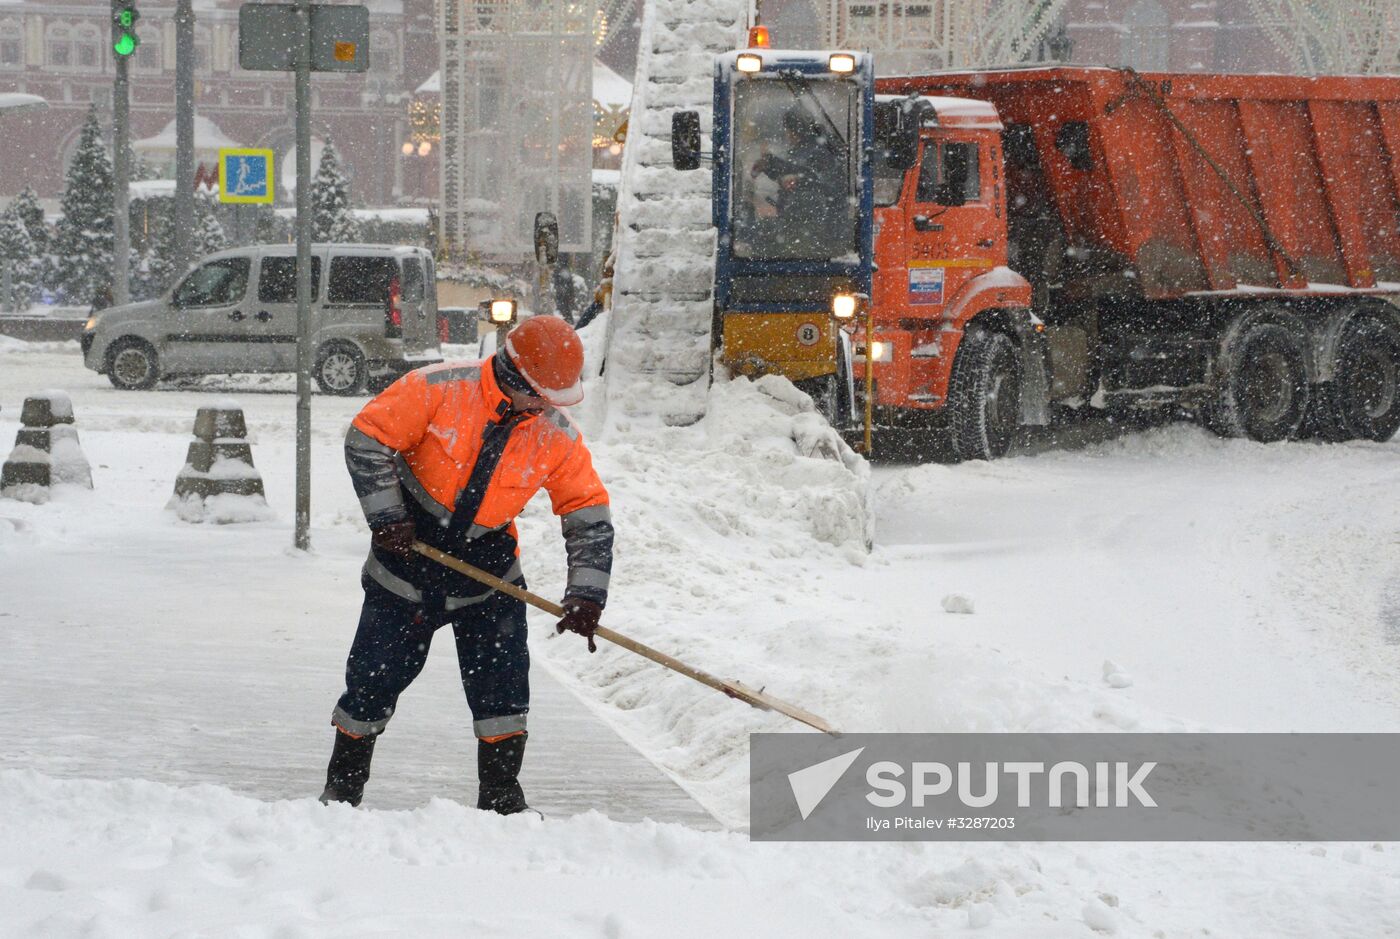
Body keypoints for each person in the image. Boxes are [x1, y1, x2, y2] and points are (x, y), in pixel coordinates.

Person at [320, 315, 614, 815]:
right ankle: (342, 792)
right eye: (539, 395)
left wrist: (587, 594)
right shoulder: (436, 389)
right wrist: (388, 517)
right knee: (371, 685)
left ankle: (501, 800)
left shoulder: (555, 436)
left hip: (489, 577)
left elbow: (587, 516)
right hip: (406, 569)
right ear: (514, 375)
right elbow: (367, 439)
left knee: (503, 693)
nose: (544, 408)